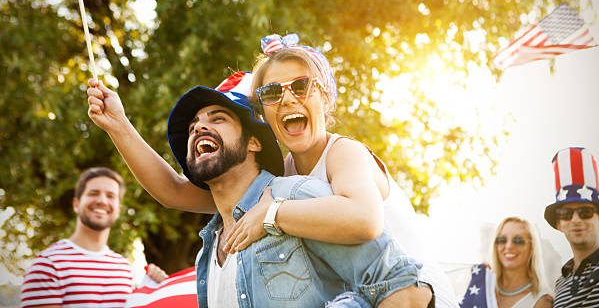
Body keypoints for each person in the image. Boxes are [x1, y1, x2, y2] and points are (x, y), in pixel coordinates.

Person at [87, 70, 432, 307]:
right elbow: (171, 191)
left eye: (217, 118)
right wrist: (117, 124)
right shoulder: (207, 253)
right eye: (193, 125)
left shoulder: (294, 196)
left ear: (254, 142)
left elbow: (404, 284)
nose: (198, 128)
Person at [224, 33, 457, 307]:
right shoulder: (281, 177)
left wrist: (272, 212)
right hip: (359, 297)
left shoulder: (343, 153)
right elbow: (183, 193)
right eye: (272, 93)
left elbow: (365, 219)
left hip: (414, 292)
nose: (287, 99)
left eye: (300, 86)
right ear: (263, 113)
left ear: (324, 98)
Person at [20, 167, 168, 308]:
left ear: (118, 210)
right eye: (93, 193)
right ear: (76, 204)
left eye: (111, 196)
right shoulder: (47, 265)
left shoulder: (123, 268)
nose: (102, 201)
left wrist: (160, 289)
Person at [543, 147, 599, 307]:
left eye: (585, 212)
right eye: (566, 214)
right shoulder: (560, 284)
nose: (575, 219)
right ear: (559, 225)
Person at [460, 217, 552, 308]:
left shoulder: (543, 301)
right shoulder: (482, 289)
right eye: (502, 240)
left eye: (518, 240)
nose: (509, 246)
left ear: (532, 248)